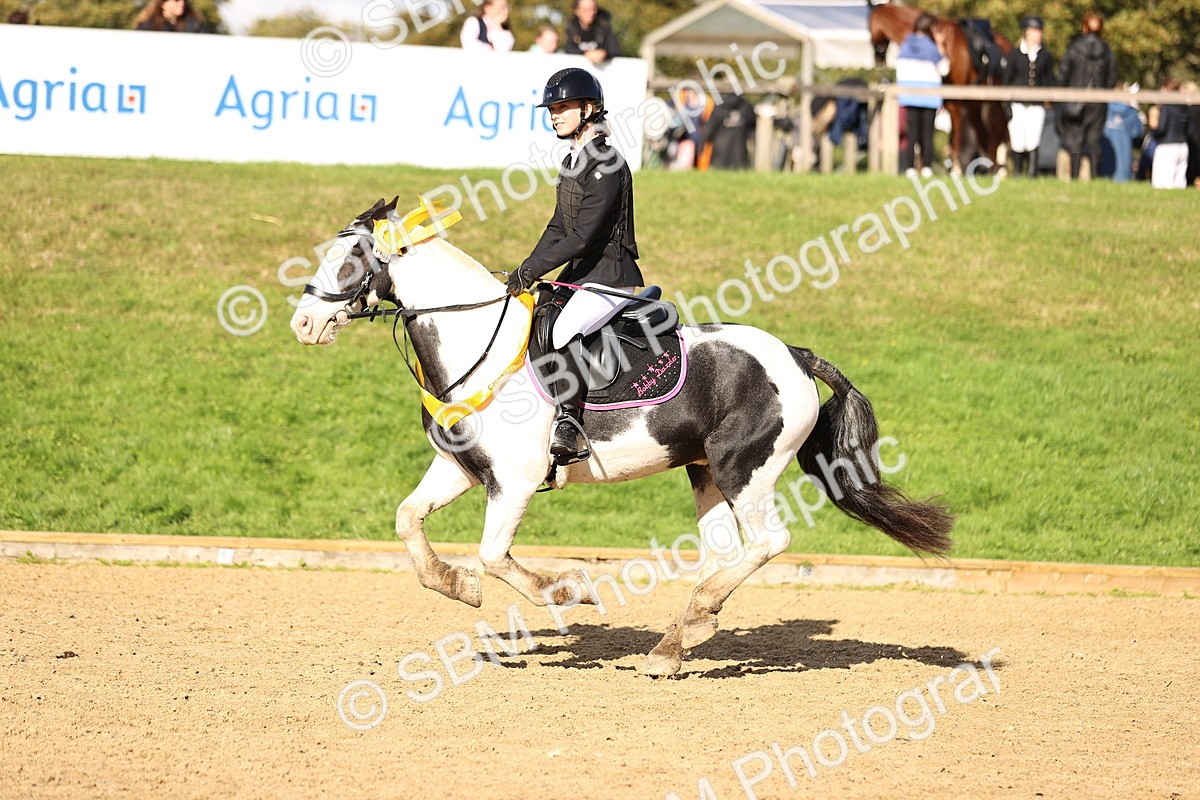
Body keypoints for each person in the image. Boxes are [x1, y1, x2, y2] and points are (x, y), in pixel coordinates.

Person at [505, 68, 641, 460]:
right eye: (552, 108)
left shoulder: (606, 162)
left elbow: (582, 236)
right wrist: (523, 270)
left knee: (564, 329)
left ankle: (570, 424)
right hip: (583, 275)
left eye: (563, 107)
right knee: (538, 314)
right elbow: (557, 226)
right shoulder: (573, 161)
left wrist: (532, 271)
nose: (555, 114)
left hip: (611, 276)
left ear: (590, 108)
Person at [1056, 11, 1118, 180]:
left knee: (1075, 141)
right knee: (1093, 141)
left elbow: (1062, 76)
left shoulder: (1073, 49)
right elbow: (1112, 79)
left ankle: (1075, 176)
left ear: (1084, 28)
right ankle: (1094, 176)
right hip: (1098, 104)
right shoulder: (1107, 52)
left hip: (1074, 102)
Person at [896, 13, 949, 177]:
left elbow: (899, 69)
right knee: (927, 133)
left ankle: (909, 167)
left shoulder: (905, 45)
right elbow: (945, 69)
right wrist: (941, 46)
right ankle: (926, 166)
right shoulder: (932, 48)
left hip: (909, 94)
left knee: (911, 133)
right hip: (929, 95)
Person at [1003, 16, 1055, 178]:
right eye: (1034, 31)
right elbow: (1007, 80)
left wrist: (1049, 99)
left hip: (1036, 104)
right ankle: (1018, 173)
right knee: (1018, 139)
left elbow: (1049, 80)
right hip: (1017, 104)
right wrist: (1006, 105)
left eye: (1039, 31)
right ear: (1026, 32)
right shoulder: (1015, 54)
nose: (1038, 34)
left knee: (1033, 139)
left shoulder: (1045, 55)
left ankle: (1032, 173)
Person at [1150, 79, 1193, 189]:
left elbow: (1162, 128)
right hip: (1183, 146)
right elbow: (1190, 131)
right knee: (1179, 183)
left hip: (1167, 146)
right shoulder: (1186, 107)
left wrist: (1152, 131)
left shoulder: (1166, 106)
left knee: (1162, 184)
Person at [702, 92, 756, 170]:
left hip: (720, 151)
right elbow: (754, 122)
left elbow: (710, 129)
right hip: (739, 151)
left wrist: (703, 141)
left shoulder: (719, 107)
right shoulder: (745, 106)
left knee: (719, 177)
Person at [1099, 88, 1142, 182]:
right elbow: (1138, 135)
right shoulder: (1131, 113)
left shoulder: (1102, 110)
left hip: (1104, 162)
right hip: (1124, 164)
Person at [564, 0, 621, 64]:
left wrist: (604, 53)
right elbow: (568, 50)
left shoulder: (604, 26)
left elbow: (615, 50)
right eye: (586, 9)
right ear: (577, 11)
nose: (591, 13)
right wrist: (585, 53)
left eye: (593, 9)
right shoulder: (571, 28)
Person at [134, 0, 209, 32]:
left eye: (184, 0)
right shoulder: (148, 27)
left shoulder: (196, 26)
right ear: (163, 3)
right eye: (176, 0)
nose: (182, 3)